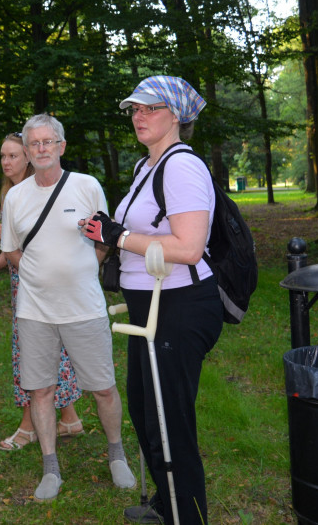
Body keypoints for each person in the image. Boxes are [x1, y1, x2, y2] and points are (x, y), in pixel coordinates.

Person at [84, 76, 222, 525]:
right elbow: (144, 231)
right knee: (147, 412)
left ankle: (190, 517)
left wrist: (120, 236)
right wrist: (108, 231)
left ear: (176, 115)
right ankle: (167, 505)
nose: (138, 116)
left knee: (170, 424)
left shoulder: (182, 167)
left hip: (180, 307)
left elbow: (188, 248)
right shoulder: (149, 166)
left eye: (149, 108)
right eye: (134, 109)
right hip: (151, 309)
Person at [0, 115, 136, 501]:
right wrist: (37, 274)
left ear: (61, 146)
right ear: (27, 151)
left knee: (104, 389)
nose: (41, 149)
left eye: (48, 142)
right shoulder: (16, 197)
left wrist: (86, 267)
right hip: (34, 312)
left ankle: (116, 455)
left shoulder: (86, 186)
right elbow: (10, 248)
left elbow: (104, 237)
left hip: (85, 308)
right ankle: (50, 468)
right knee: (40, 391)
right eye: (34, 143)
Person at [0, 133, 84, 451]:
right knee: (48, 346)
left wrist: (9, 236)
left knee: (30, 350)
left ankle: (28, 427)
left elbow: (49, 240)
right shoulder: (10, 193)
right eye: (2, 156)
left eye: (13, 155)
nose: (6, 162)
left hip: (40, 282)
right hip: (22, 282)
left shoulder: (35, 191)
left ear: (27, 157)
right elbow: (12, 245)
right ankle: (69, 417)